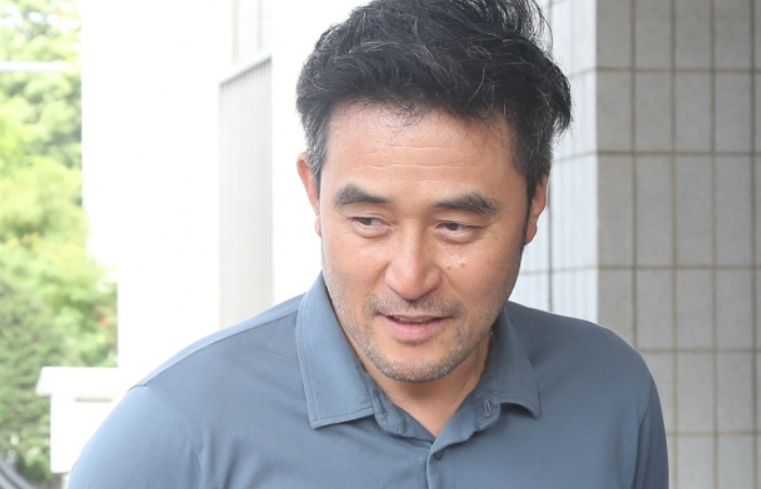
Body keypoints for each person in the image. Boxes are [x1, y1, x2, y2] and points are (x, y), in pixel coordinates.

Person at [68, 0, 668, 487]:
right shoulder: (175, 430)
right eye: (369, 221)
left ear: (534, 202)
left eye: (456, 226)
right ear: (314, 192)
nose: (409, 278)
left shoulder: (611, 392)